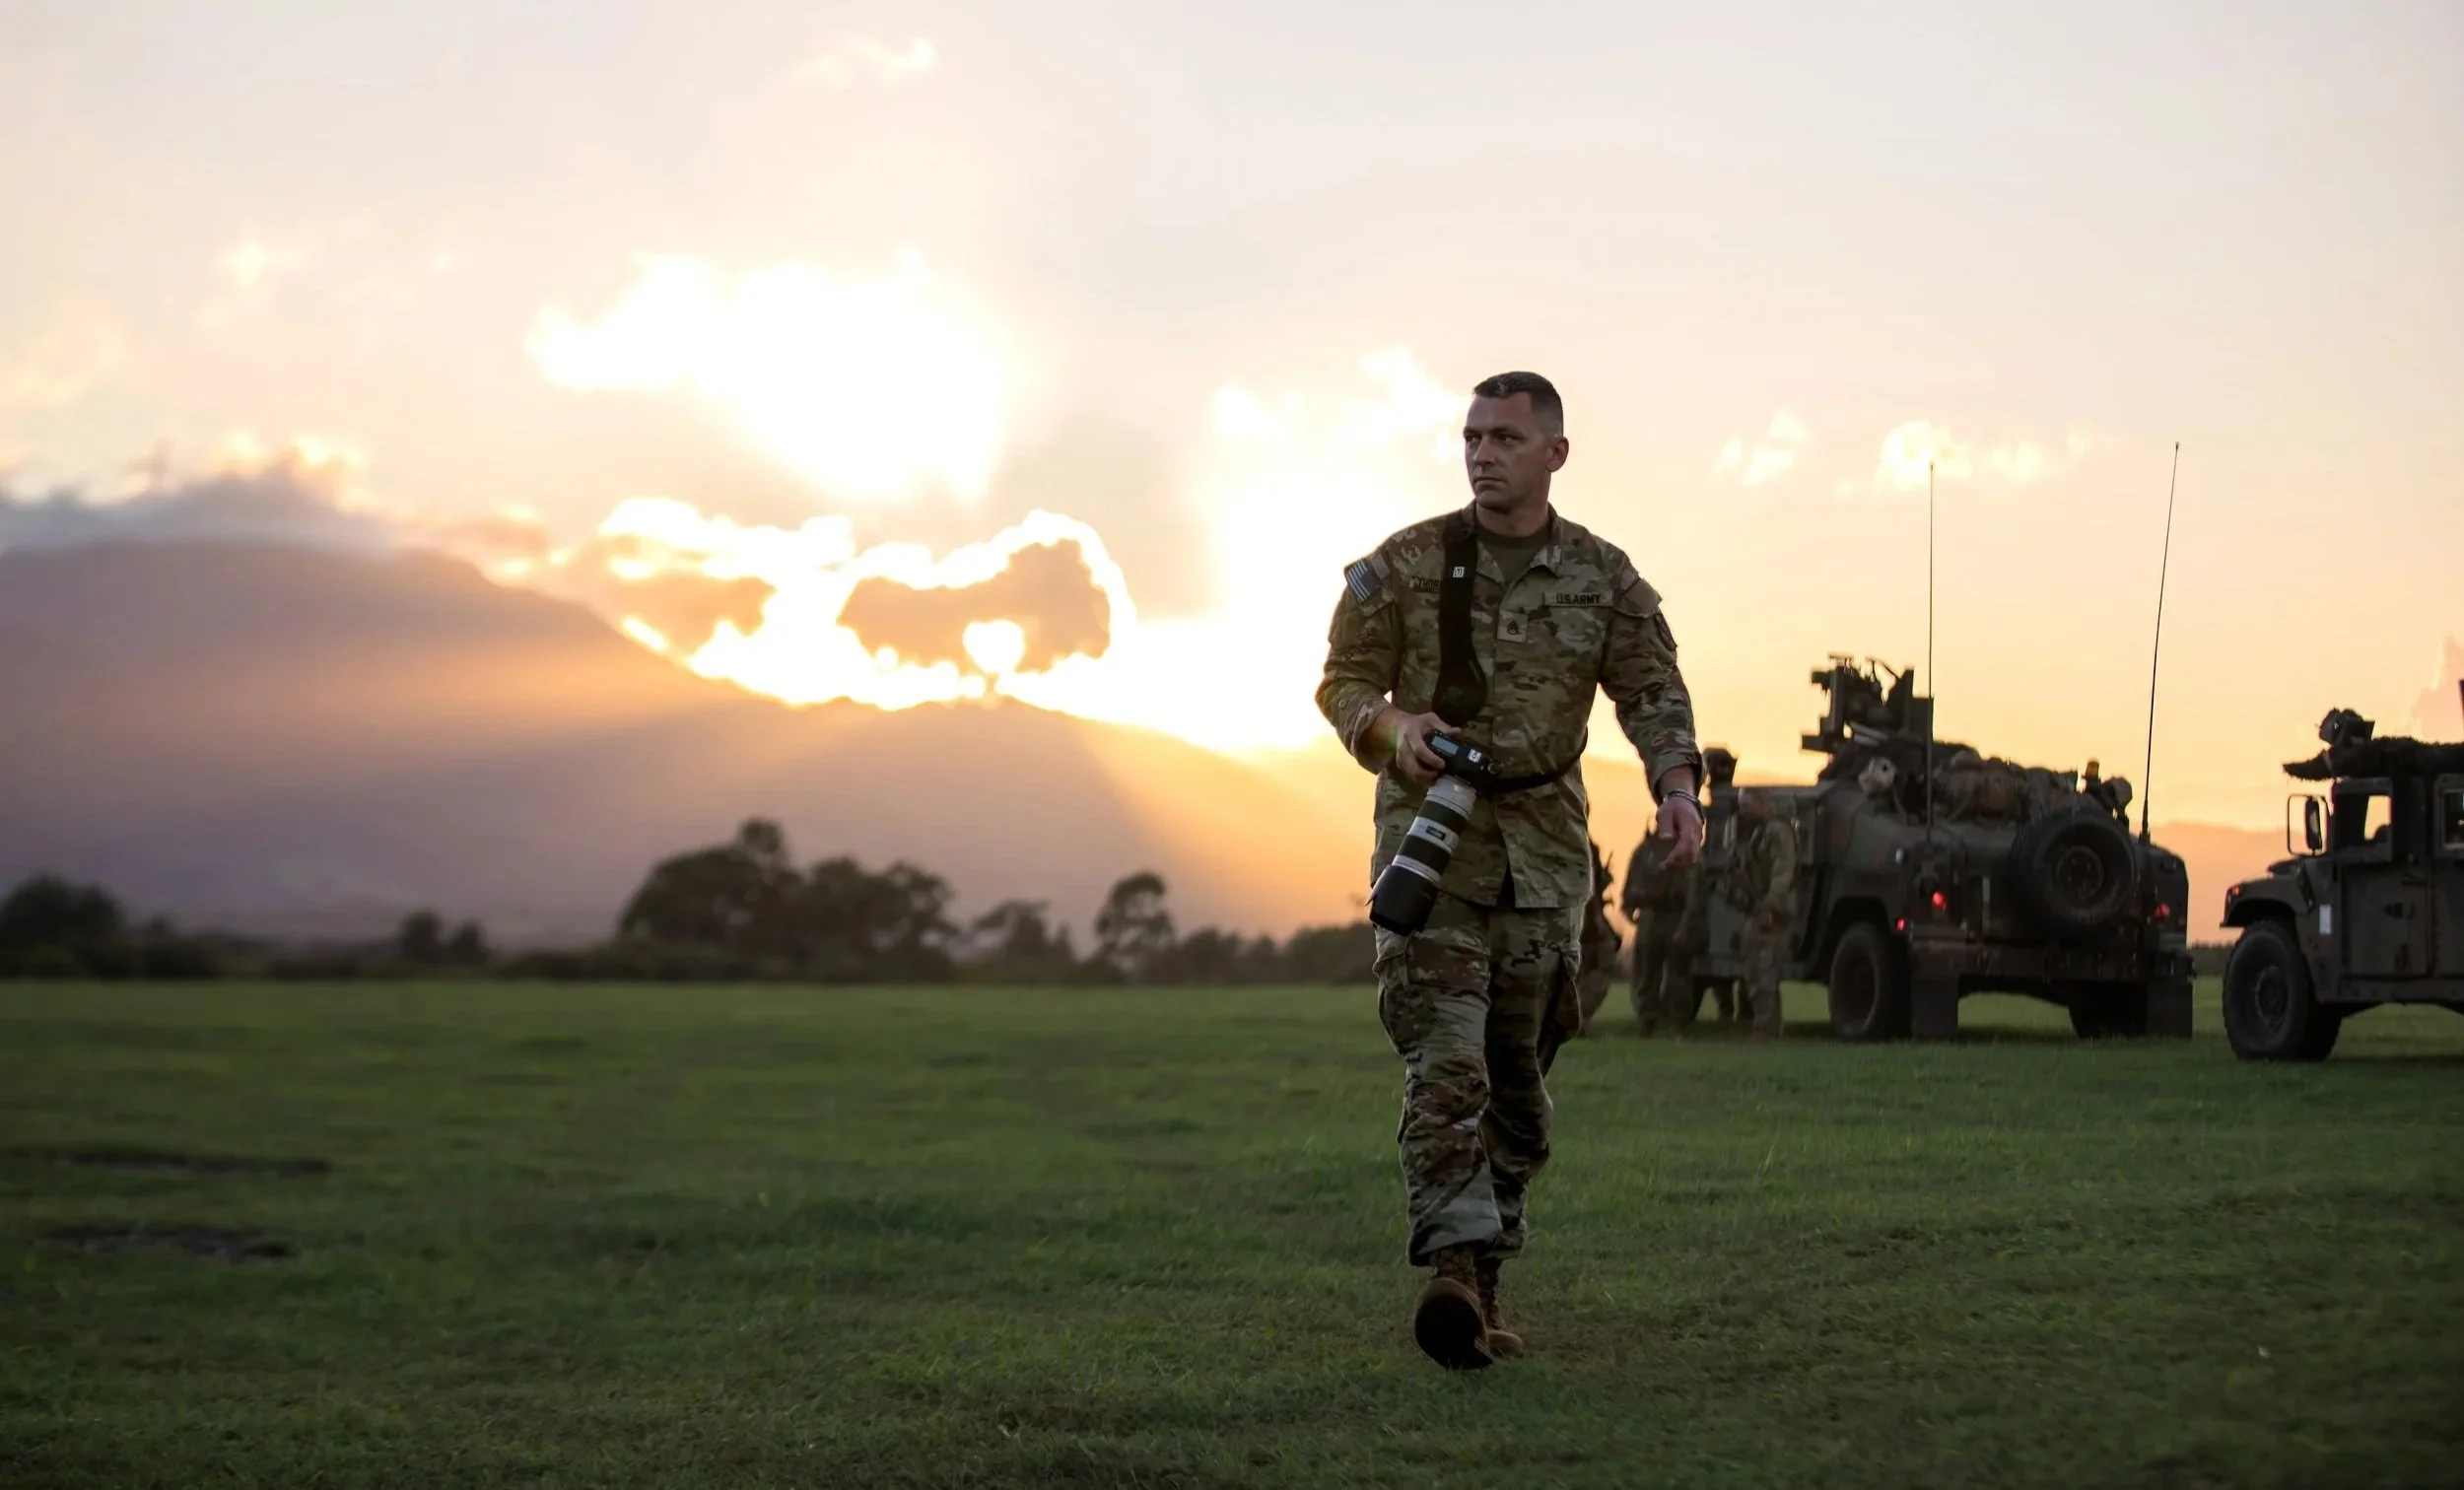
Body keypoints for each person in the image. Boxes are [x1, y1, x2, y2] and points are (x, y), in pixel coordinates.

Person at [1317, 370, 1704, 1371]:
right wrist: (1391, 729)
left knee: (1519, 1086)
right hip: (1431, 851)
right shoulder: (1407, 564)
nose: (1483, 452)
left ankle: (1482, 1283)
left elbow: (1652, 687)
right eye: (1472, 436)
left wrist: (1675, 786)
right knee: (1445, 1070)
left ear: (1553, 454)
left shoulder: (1600, 578)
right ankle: (1450, 1275)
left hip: (1544, 863)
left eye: (1504, 437)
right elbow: (1344, 680)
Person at [1726, 789, 1797, 1040]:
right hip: (1756, 912)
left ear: (1764, 803)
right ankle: (1763, 1027)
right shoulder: (1757, 834)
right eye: (1741, 806)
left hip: (1771, 916)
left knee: (1765, 972)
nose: (1744, 811)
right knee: (1754, 972)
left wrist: (1770, 908)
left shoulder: (1777, 831)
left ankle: (1767, 1030)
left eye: (1748, 805)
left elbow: (1782, 872)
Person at [1619, 830, 1688, 1036]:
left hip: (1674, 915)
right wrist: (1629, 907)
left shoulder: (1683, 847)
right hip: (1651, 916)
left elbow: (1693, 888)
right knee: (1647, 973)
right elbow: (1631, 882)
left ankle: (1675, 1021)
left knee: (1677, 974)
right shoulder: (1645, 850)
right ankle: (1648, 1020)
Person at [1574, 840, 1623, 1034]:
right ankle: (1577, 1017)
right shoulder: (1585, 845)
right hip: (1586, 921)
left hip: (1568, 918)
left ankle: (1575, 1019)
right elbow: (1590, 887)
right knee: (1603, 960)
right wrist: (1597, 919)